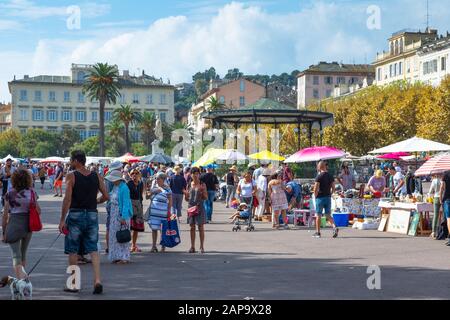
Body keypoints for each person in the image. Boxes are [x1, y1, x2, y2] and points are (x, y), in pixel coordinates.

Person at [59, 150, 109, 294]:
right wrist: (95, 201)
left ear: (76, 161)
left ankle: (73, 283)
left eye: (71, 160)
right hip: (92, 214)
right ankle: (97, 280)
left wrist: (62, 219)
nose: (70, 162)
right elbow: (106, 196)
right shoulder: (96, 175)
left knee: (73, 249)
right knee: (93, 248)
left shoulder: (71, 176)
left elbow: (67, 199)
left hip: (76, 214)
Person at [1, 169, 41, 282]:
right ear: (28, 179)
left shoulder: (9, 194)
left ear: (14, 179)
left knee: (16, 255)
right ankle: (23, 279)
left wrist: (4, 232)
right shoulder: (32, 192)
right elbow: (39, 211)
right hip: (28, 225)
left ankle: (21, 281)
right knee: (23, 254)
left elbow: (4, 215)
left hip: (14, 224)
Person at [105, 170, 133, 264]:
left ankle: (124, 257)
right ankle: (117, 256)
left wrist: (123, 217)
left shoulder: (124, 188)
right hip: (114, 213)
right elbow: (109, 197)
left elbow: (126, 203)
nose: (112, 181)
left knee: (122, 235)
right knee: (114, 236)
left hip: (120, 214)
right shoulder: (115, 187)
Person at [147, 172, 172, 253]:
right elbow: (147, 197)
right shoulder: (154, 187)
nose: (157, 180)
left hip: (163, 213)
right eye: (156, 178)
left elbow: (170, 201)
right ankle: (153, 246)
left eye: (158, 179)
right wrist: (153, 192)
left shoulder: (167, 188)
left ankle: (163, 246)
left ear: (163, 179)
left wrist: (169, 211)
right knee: (154, 229)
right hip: (154, 212)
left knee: (163, 230)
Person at [313, 161, 338, 238]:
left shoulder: (319, 176)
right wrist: (332, 193)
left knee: (318, 215)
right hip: (328, 197)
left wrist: (315, 196)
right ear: (325, 167)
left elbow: (315, 188)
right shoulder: (330, 176)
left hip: (320, 197)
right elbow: (333, 187)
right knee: (328, 214)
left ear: (319, 167)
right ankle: (334, 227)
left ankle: (318, 232)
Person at [186, 167, 208, 253]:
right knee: (192, 227)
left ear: (199, 174)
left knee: (200, 227)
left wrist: (202, 192)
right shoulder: (189, 184)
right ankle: (192, 246)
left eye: (197, 173)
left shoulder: (202, 184)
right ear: (190, 175)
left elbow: (206, 197)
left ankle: (202, 246)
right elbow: (187, 199)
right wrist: (186, 195)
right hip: (191, 207)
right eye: (193, 173)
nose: (195, 175)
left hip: (200, 207)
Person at [104, 162, 122, 255]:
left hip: (109, 203)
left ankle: (109, 246)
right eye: (120, 168)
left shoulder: (107, 175)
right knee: (113, 226)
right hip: (113, 203)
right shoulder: (113, 177)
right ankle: (111, 246)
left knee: (109, 226)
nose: (121, 170)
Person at [127, 169, 145, 253]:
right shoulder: (128, 184)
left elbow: (141, 195)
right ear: (130, 175)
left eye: (136, 173)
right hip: (130, 207)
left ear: (139, 175)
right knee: (129, 227)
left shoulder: (141, 183)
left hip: (138, 206)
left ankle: (133, 245)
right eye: (132, 173)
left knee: (136, 228)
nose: (134, 175)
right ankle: (127, 246)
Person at [429, 174, 442, 239]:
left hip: (436, 197)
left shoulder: (434, 181)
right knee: (444, 215)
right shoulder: (442, 180)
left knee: (435, 215)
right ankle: (443, 230)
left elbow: (430, 191)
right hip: (443, 197)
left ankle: (433, 231)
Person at [440, 171, 450, 246]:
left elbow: (442, 187)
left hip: (447, 199)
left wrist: (440, 198)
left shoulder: (445, 173)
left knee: (449, 218)